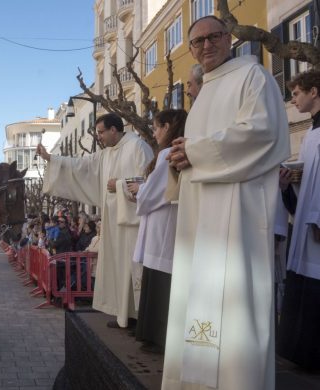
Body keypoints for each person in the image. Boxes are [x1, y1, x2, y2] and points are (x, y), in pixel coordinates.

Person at [162, 15, 290, 390]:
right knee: (196, 293)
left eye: (213, 37)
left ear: (229, 38)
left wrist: (195, 153)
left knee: (235, 300)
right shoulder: (203, 94)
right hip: (201, 213)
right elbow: (195, 153)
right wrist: (181, 160)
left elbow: (262, 133)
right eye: (197, 42)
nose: (205, 46)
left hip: (238, 215)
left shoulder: (253, 77)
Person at [36, 112, 154, 329]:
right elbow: (80, 165)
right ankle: (124, 314)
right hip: (113, 220)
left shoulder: (138, 147)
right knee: (118, 267)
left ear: (114, 129)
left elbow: (148, 182)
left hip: (134, 221)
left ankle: (141, 317)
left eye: (101, 132)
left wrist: (118, 184)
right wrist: (50, 158)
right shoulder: (105, 154)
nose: (98, 136)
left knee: (135, 267)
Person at [127, 109, 187, 352]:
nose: (153, 132)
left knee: (161, 282)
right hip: (164, 220)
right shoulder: (171, 152)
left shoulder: (166, 154)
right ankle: (153, 334)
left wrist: (137, 191)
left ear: (167, 127)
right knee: (158, 279)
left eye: (156, 127)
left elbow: (153, 193)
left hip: (163, 223)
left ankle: (159, 337)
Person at [277, 70, 320, 371]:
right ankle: (301, 354)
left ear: (314, 91)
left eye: (297, 92)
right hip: (306, 220)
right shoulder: (312, 133)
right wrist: (286, 186)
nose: (293, 98)